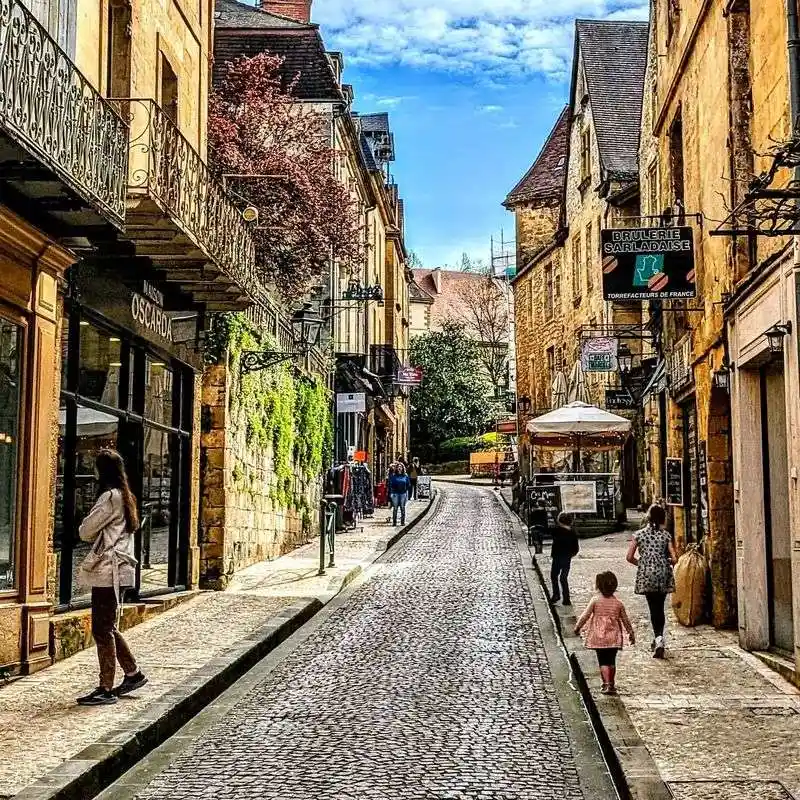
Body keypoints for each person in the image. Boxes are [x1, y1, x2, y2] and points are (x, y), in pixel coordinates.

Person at [76, 449, 147, 706]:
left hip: (108, 571)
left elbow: (86, 531)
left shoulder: (109, 498)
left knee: (101, 629)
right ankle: (133, 673)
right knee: (107, 625)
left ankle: (105, 687)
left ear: (102, 471)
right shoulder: (126, 497)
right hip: (118, 569)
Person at [626, 503, 677, 659]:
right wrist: (665, 560)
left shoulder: (639, 535)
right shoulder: (666, 535)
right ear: (662, 518)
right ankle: (659, 638)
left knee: (652, 607)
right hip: (662, 574)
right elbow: (674, 558)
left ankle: (658, 639)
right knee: (660, 608)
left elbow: (629, 557)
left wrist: (642, 563)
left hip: (646, 574)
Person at [574, 571, 635, 695]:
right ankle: (611, 683)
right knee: (611, 661)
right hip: (614, 637)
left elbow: (585, 616)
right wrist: (631, 633)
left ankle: (606, 684)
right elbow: (625, 620)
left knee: (602, 661)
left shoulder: (595, 601)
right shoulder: (618, 604)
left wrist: (578, 627)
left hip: (599, 636)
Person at [550, 512, 580, 605]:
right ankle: (566, 598)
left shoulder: (557, 530)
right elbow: (576, 547)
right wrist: (572, 554)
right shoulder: (572, 532)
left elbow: (549, 532)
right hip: (567, 557)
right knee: (564, 577)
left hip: (557, 556)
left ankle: (556, 594)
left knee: (554, 575)